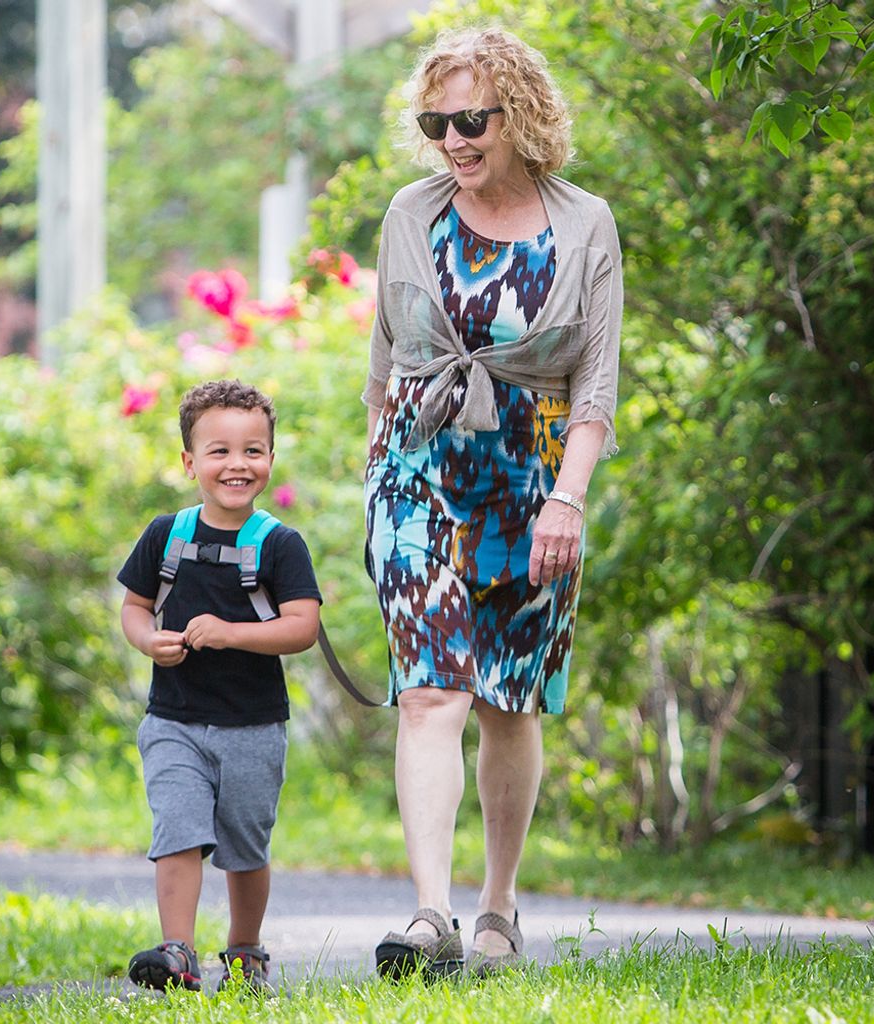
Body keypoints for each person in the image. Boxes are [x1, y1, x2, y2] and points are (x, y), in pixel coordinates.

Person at [364, 27, 623, 977]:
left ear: (520, 113)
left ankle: (497, 907)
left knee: (510, 701)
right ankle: (429, 913)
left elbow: (596, 385)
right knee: (431, 693)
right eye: (436, 124)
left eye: (470, 120)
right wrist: (376, 473)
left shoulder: (583, 222)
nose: (454, 142)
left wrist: (569, 500)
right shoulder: (410, 212)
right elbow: (385, 360)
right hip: (419, 472)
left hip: (533, 477)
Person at [118, 379, 321, 992]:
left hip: (253, 727)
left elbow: (303, 627)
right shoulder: (166, 535)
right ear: (189, 462)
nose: (238, 464)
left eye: (253, 451)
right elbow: (134, 606)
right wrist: (148, 640)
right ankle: (178, 951)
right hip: (173, 720)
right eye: (220, 451)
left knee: (244, 845)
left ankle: (244, 949)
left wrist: (230, 633)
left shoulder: (280, 545)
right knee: (176, 829)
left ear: (270, 460)